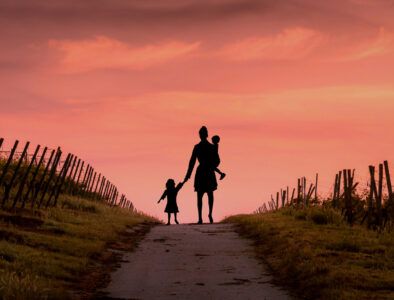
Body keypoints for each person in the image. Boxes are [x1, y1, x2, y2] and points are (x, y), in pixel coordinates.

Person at [184, 126, 218, 224]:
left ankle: (208, 215)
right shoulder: (198, 147)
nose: (201, 135)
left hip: (207, 171)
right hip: (203, 172)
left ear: (206, 135)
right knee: (201, 195)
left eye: (202, 133)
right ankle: (201, 217)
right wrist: (188, 174)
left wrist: (213, 165)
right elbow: (192, 162)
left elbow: (217, 160)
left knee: (208, 194)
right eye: (201, 133)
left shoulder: (211, 147)